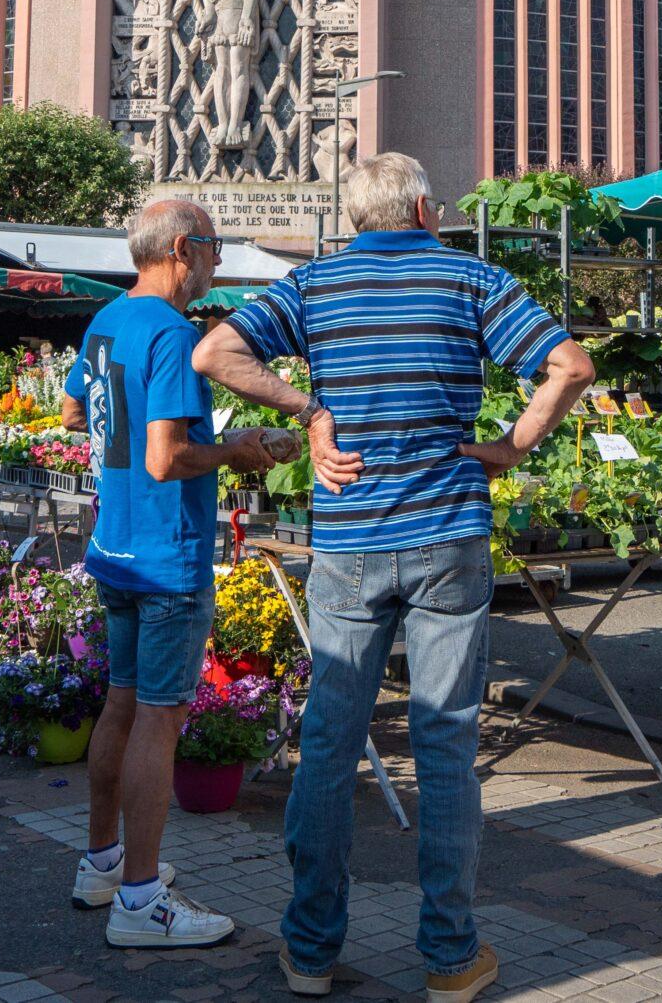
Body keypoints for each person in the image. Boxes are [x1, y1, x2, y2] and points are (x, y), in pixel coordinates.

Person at [195, 151, 593, 1003]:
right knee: (447, 742)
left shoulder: (317, 284)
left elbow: (216, 351)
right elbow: (571, 365)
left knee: (332, 743)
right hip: (449, 528)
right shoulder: (472, 278)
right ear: (420, 207)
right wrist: (512, 445)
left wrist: (309, 411)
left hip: (349, 542)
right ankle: (451, 957)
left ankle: (308, 950)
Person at [61, 199, 277, 948]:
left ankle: (103, 864)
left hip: (114, 543)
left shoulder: (107, 318)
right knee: (160, 717)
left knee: (121, 704)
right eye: (214, 248)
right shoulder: (175, 333)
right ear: (184, 247)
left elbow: (69, 412)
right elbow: (167, 456)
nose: (216, 262)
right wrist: (238, 449)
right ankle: (142, 901)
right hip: (165, 551)